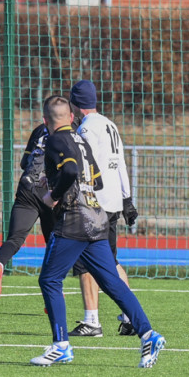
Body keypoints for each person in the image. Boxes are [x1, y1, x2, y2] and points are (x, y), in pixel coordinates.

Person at [31, 95, 164, 367]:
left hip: (74, 220)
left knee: (49, 280)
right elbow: (97, 179)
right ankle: (148, 334)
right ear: (71, 117)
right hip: (97, 216)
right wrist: (55, 178)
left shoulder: (55, 139)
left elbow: (69, 170)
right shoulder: (81, 140)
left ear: (45, 121)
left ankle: (61, 346)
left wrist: (52, 195)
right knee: (112, 282)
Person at [67, 80, 139, 337]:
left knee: (85, 261)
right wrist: (127, 199)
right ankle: (130, 317)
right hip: (111, 202)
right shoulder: (110, 125)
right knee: (111, 259)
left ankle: (92, 322)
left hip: (93, 204)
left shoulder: (86, 129)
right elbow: (119, 163)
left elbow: (84, 167)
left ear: (75, 104)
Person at [0, 122, 52, 301]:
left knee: (14, 239)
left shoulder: (39, 129)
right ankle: (52, 296)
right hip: (49, 190)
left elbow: (24, 162)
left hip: (26, 187)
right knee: (54, 244)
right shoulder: (72, 129)